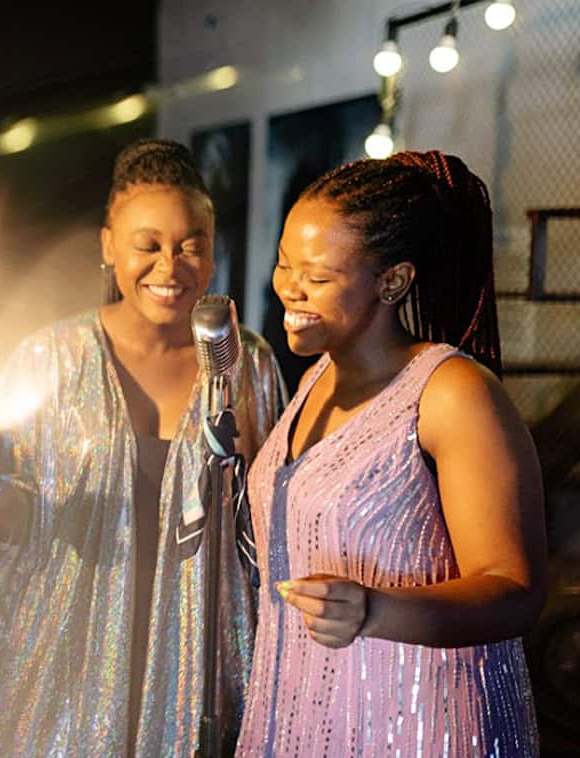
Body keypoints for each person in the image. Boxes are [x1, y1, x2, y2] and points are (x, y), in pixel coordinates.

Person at [0, 138, 287, 756]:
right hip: (70, 663)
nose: (170, 266)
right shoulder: (48, 360)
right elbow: (10, 536)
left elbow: (267, 528)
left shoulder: (247, 362)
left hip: (201, 669)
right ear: (109, 246)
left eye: (191, 245)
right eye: (147, 245)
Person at [236, 150, 544, 755]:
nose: (289, 290)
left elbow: (515, 589)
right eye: (283, 265)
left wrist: (375, 610)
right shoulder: (313, 382)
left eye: (317, 277)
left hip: (414, 722)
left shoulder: (453, 394)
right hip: (304, 713)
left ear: (393, 281)